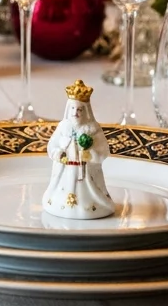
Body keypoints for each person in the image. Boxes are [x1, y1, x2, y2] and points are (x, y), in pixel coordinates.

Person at [42, 80, 114, 220]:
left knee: (87, 193)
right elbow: (52, 145)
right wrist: (58, 153)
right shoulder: (63, 127)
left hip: (85, 172)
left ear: (85, 111)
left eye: (80, 109)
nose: (76, 113)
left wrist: (90, 154)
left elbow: (103, 150)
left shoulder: (93, 129)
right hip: (66, 170)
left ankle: (90, 207)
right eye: (73, 109)